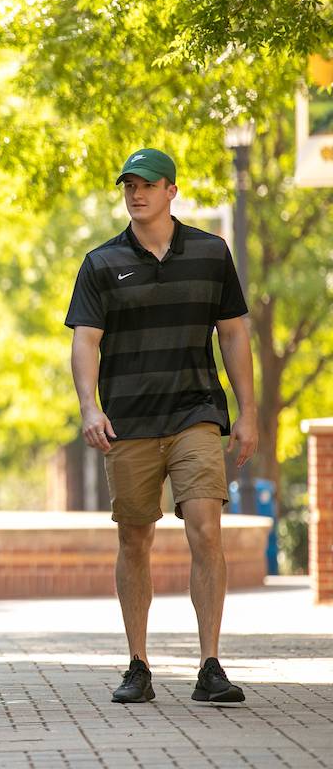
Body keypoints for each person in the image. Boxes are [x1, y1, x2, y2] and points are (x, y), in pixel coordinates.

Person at [66, 148, 257, 706]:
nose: (136, 193)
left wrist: (246, 413)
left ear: (172, 189)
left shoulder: (210, 252)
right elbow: (85, 340)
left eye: (147, 184)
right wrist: (89, 407)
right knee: (135, 537)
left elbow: (235, 334)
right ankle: (138, 663)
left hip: (196, 411)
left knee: (206, 526)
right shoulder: (101, 263)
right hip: (127, 420)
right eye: (129, 184)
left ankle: (210, 664)